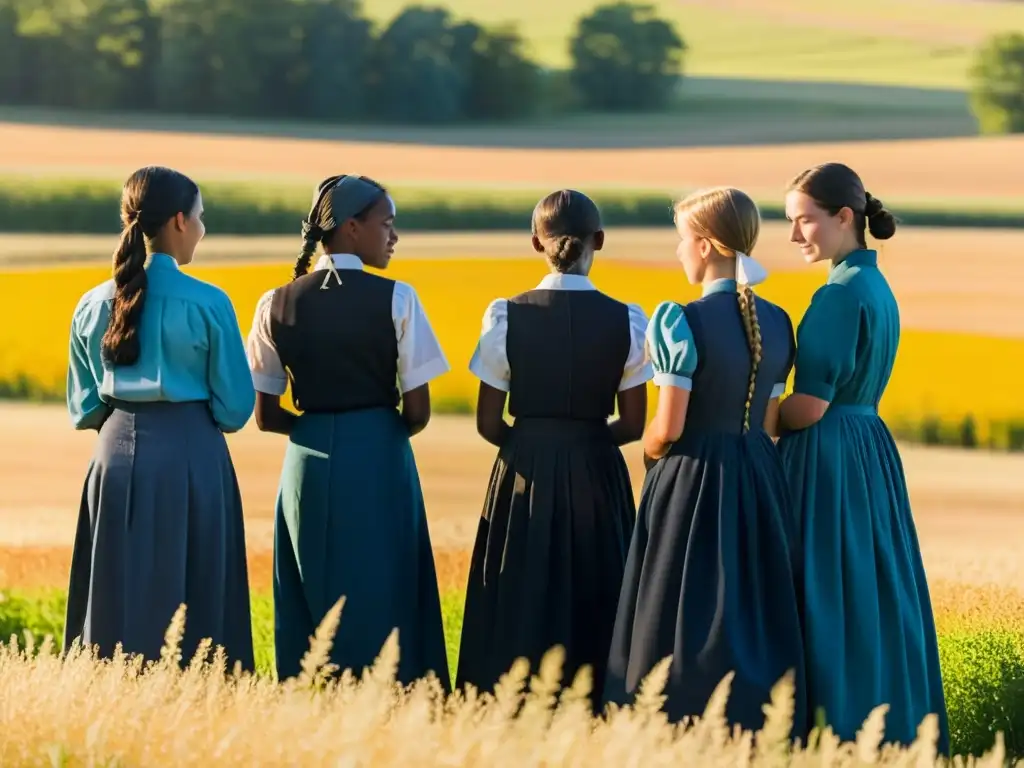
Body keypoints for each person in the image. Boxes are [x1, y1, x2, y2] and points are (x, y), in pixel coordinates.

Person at [603, 187, 806, 735]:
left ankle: (674, 719)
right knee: (748, 600)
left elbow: (668, 427)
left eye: (682, 239)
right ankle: (755, 721)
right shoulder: (779, 322)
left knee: (684, 603)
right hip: (759, 473)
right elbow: (767, 423)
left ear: (708, 244)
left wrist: (649, 453)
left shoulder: (679, 321)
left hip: (694, 476)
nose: (677, 252)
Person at [246, 174, 451, 690]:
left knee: (309, 585)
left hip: (306, 461)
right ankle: (399, 692)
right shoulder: (398, 298)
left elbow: (266, 415)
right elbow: (419, 410)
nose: (394, 236)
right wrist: (375, 430)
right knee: (389, 583)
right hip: (382, 454)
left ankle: (311, 690)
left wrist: (318, 427)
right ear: (353, 228)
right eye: (388, 224)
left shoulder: (274, 303)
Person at [777, 162, 949, 752]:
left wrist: (745, 417)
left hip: (827, 459)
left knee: (827, 592)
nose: (796, 236)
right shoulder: (875, 287)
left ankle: (836, 728)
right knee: (871, 593)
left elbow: (809, 406)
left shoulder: (837, 296)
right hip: (868, 449)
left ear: (843, 217)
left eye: (804, 221)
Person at [456, 189, 652, 707]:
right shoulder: (629, 319)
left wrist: (531, 445)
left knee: (518, 585)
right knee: (598, 588)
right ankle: (599, 703)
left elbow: (487, 421)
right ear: (600, 242)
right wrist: (586, 443)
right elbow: (634, 423)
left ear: (535, 243)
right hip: (597, 468)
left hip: (523, 469)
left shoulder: (505, 315)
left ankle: (510, 702)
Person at [64, 166, 256, 671]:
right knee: (198, 598)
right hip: (194, 453)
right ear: (178, 221)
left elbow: (84, 406)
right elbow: (235, 408)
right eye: (200, 218)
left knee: (116, 591)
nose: (201, 228)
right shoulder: (210, 302)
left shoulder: (90, 304)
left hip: (114, 457)